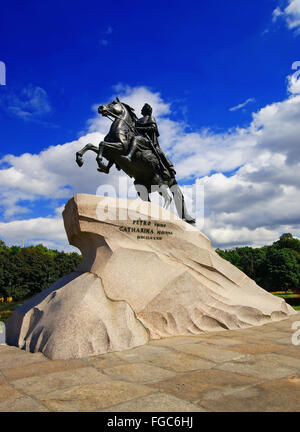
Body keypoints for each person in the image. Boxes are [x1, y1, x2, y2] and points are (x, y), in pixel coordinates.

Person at [123, 103, 176, 179]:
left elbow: (153, 128)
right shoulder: (138, 120)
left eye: (142, 109)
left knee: (159, 152)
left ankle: (170, 168)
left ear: (146, 110)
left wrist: (139, 128)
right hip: (140, 139)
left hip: (147, 140)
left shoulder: (151, 118)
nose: (141, 110)